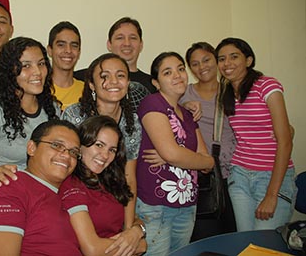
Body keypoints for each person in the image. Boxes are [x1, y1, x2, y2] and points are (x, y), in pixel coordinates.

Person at [135, 51, 214, 255]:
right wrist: (174, 155)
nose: (177, 75)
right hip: (156, 204)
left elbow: (209, 163)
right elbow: (172, 153)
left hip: (188, 204)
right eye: (168, 72)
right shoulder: (152, 103)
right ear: (156, 82)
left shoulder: (187, 114)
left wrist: (177, 154)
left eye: (180, 69)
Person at [215, 37, 295, 231]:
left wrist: (271, 195)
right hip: (240, 175)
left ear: (248, 60)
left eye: (234, 57)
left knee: (266, 245)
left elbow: (285, 142)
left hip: (271, 176)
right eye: (222, 58)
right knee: (246, 241)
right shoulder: (227, 94)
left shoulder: (267, 85)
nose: (227, 63)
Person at [0, 119, 82, 256]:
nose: (66, 155)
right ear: (32, 148)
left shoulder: (66, 192)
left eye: (74, 152)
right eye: (56, 145)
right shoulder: (8, 187)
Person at [0, 37, 60, 198]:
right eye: (26, 66)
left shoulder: (52, 109)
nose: (37, 72)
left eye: (41, 64)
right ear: (10, 71)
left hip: (35, 198)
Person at [62, 53, 142, 229]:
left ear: (128, 82)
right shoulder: (74, 116)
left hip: (112, 198)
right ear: (91, 84)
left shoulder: (132, 123)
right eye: (105, 76)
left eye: (120, 76)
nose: (114, 81)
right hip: (74, 198)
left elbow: (129, 178)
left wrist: (128, 228)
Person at [60, 115, 147, 256]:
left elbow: (132, 221)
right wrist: (137, 244)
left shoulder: (109, 180)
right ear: (81, 145)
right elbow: (92, 250)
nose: (105, 155)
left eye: (112, 150)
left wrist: (137, 231)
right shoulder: (71, 185)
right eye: (99, 145)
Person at [179, 42, 237, 240]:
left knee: (233, 235)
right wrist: (184, 106)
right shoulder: (184, 93)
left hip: (235, 175)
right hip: (201, 177)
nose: (201, 67)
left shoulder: (232, 91)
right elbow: (166, 113)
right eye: (194, 64)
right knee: (205, 237)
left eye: (206, 60)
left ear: (216, 60)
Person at [74, 17, 152, 111]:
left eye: (133, 38)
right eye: (120, 38)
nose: (127, 43)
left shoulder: (153, 84)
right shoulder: (84, 77)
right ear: (109, 44)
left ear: (141, 44)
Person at [47, 21, 84, 111]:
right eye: (61, 45)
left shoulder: (88, 90)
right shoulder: (40, 89)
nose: (68, 50)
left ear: (79, 52)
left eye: (74, 45)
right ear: (50, 50)